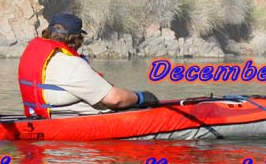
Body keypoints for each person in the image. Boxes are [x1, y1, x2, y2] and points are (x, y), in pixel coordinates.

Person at [18, 13, 160, 118]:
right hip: (78, 134)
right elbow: (115, 99)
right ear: (77, 39)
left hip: (42, 119)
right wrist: (140, 97)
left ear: (48, 33)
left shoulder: (35, 56)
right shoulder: (71, 64)